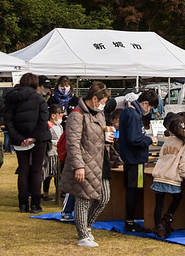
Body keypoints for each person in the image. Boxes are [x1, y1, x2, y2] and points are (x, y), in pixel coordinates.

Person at [59, 82, 112, 248]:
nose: (103, 105)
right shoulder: (77, 115)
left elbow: (101, 133)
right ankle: (83, 234)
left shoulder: (99, 114)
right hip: (84, 161)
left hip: (99, 160)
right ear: (95, 98)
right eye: (102, 101)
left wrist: (106, 138)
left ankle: (87, 226)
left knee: (104, 197)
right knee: (83, 198)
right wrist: (78, 166)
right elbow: (73, 143)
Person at [4, 72, 51, 213]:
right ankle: (35, 204)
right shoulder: (39, 99)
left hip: (19, 139)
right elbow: (43, 120)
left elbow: (8, 120)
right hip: (37, 139)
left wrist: (18, 138)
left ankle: (23, 204)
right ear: (35, 84)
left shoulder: (11, 99)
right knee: (36, 171)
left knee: (23, 171)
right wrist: (34, 137)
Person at [118, 89, 159, 233]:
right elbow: (135, 139)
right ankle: (130, 222)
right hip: (135, 160)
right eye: (151, 108)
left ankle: (130, 220)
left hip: (131, 158)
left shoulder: (128, 112)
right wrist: (149, 140)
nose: (150, 111)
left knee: (132, 189)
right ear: (145, 103)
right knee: (133, 190)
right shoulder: (133, 115)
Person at [151, 113, 185, 239]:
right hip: (171, 177)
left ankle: (157, 226)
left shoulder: (168, 141)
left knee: (159, 203)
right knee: (177, 198)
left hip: (159, 174)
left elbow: (161, 157)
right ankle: (166, 220)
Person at [42, 104, 64, 201]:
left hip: (59, 152)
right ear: (53, 115)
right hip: (50, 152)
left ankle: (59, 191)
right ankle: (45, 193)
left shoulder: (60, 126)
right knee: (49, 174)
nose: (61, 118)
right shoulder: (47, 125)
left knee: (59, 174)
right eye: (60, 115)